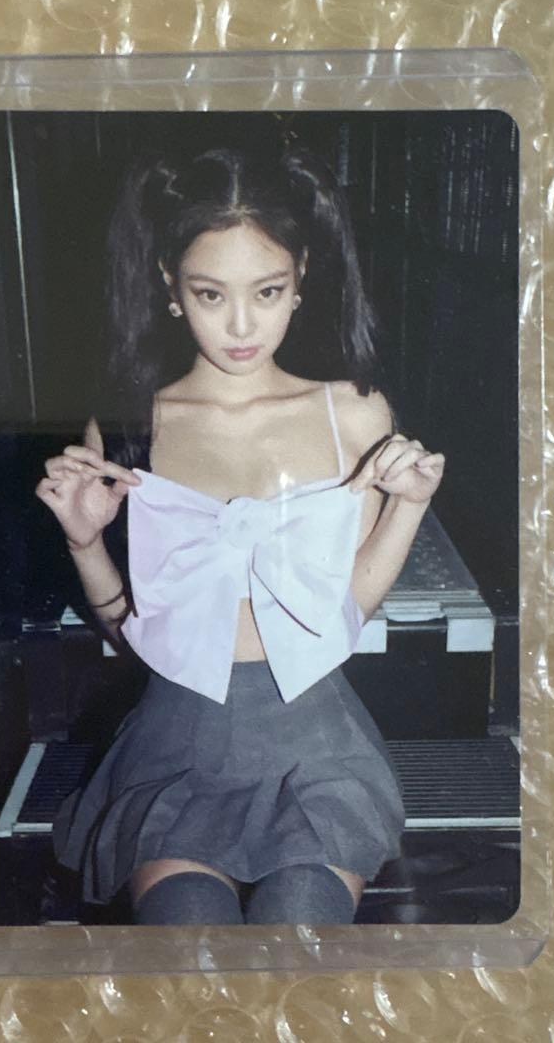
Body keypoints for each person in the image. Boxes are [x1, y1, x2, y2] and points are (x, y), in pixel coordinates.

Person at [35, 141, 445, 926]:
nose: (242, 324)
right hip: (175, 743)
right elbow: (138, 638)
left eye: (267, 290)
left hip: (315, 746)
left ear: (302, 278)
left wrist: (410, 508)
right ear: (169, 285)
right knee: (188, 935)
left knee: (298, 931)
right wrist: (85, 544)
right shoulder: (128, 425)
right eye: (210, 294)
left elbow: (345, 611)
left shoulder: (354, 414)